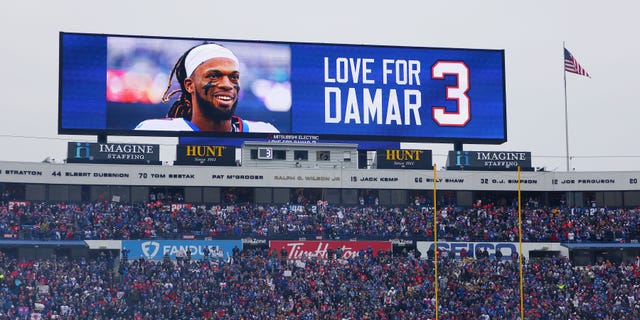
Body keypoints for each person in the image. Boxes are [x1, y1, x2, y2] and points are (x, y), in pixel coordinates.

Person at [135, 43, 279, 133]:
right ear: (189, 85)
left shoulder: (264, 133)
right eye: (213, 76)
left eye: (233, 77)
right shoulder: (155, 131)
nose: (227, 85)